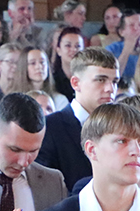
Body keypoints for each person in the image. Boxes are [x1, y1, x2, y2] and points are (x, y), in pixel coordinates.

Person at [39, 47, 119, 191]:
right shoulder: (49, 128)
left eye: (114, 81)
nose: (110, 89)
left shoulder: (120, 129)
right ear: (76, 83)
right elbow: (45, 189)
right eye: (101, 80)